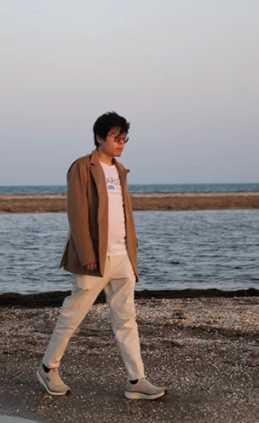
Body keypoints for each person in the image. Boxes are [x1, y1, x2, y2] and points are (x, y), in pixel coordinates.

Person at [37, 111, 166, 400]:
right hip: (94, 258)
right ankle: (48, 369)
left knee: (126, 320)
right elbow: (76, 213)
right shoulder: (82, 167)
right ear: (99, 137)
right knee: (73, 315)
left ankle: (136, 380)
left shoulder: (120, 170)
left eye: (124, 139)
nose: (121, 143)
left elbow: (122, 215)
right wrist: (87, 253)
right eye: (116, 138)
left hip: (122, 257)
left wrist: (132, 255)